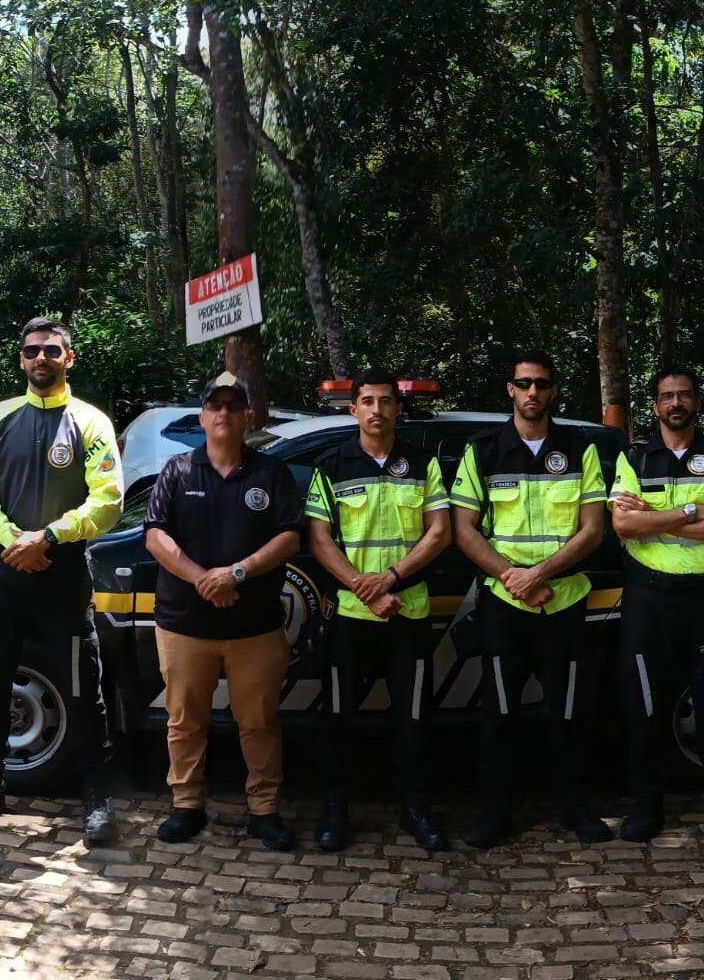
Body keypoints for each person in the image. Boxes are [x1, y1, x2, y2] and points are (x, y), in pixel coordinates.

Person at [0, 317, 125, 845]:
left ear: (68, 358)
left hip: (62, 573)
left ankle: (96, 796)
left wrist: (46, 538)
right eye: (31, 351)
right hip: (4, 572)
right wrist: (13, 541)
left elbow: (108, 501)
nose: (40, 358)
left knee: (81, 686)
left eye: (51, 350)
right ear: (22, 358)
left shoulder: (91, 423)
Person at [449, 351, 612, 848]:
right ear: (511, 390)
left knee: (569, 712)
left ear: (553, 390)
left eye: (542, 383)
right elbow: (463, 530)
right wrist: (513, 578)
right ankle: (495, 813)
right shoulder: (483, 452)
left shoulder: (579, 449)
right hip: (505, 605)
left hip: (563, 602)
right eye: (524, 384)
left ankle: (575, 809)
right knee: (498, 714)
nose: (533, 392)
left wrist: (539, 574)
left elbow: (592, 529)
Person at [142, 372, 302, 849]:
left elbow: (290, 536)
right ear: (202, 417)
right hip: (184, 624)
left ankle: (265, 810)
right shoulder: (177, 470)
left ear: (249, 417)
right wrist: (203, 579)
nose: (225, 414)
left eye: (235, 407)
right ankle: (187, 804)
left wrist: (235, 574)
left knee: (259, 722)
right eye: (216, 406)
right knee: (184, 720)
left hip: (254, 625)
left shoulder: (272, 473)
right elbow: (154, 535)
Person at [608, 365, 704, 844]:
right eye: (666, 396)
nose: (675, 403)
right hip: (647, 600)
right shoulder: (633, 458)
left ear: (697, 403)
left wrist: (658, 518)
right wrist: (696, 510)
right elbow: (623, 528)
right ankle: (646, 809)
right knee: (644, 708)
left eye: (684, 395)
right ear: (654, 406)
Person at [304, 369, 453, 851]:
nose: (376, 410)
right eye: (366, 401)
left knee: (413, 720)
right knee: (338, 719)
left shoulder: (423, 463)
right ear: (353, 410)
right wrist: (363, 588)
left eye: (385, 401)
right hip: (351, 614)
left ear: (397, 409)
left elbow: (439, 533)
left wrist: (390, 580)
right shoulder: (332, 465)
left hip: (408, 611)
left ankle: (417, 809)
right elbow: (319, 538)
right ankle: (335, 812)